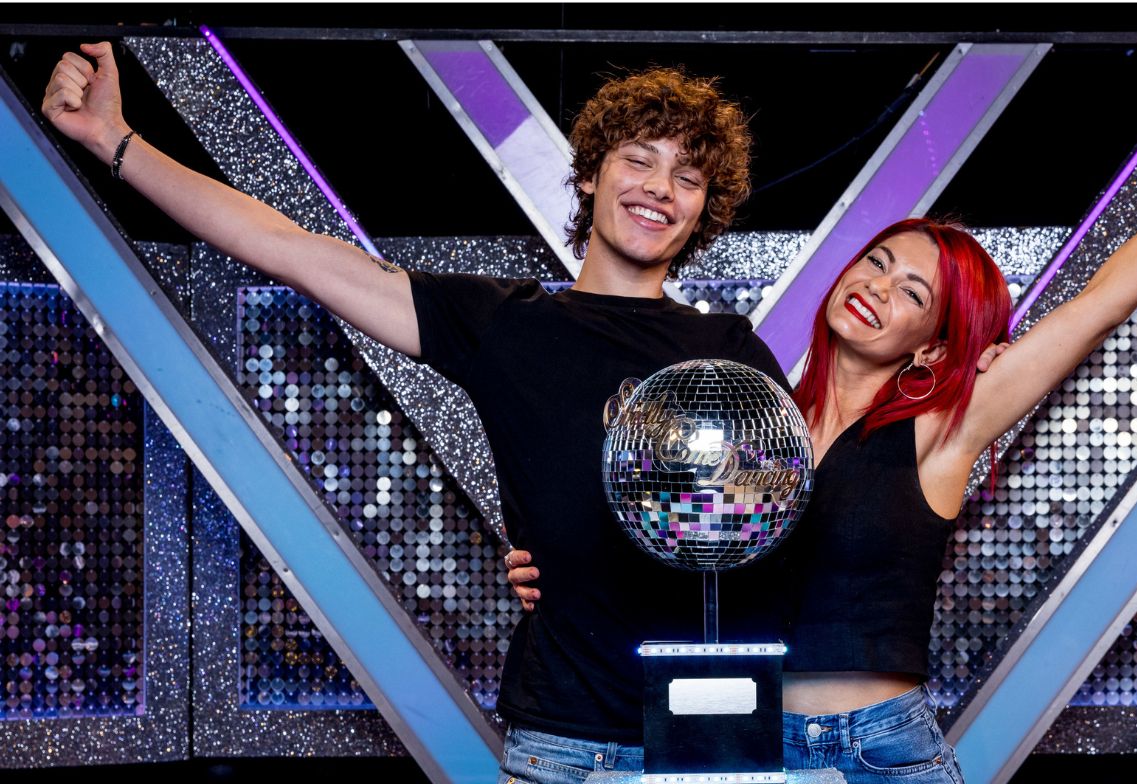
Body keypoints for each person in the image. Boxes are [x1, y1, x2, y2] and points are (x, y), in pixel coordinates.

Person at [508, 88, 1137, 782]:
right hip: (752, 743)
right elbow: (655, 535)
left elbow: (1098, 307)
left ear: (934, 346)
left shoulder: (944, 428)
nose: (879, 288)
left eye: (914, 293)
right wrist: (549, 568)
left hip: (878, 751)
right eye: (877, 264)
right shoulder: (757, 422)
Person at [44, 42, 787, 783]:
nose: (660, 188)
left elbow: (797, 528)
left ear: (703, 210)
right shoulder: (506, 324)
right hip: (561, 745)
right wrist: (114, 140)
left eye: (688, 177)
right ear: (591, 173)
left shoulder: (728, 355)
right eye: (639, 161)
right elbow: (289, 249)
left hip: (707, 742)